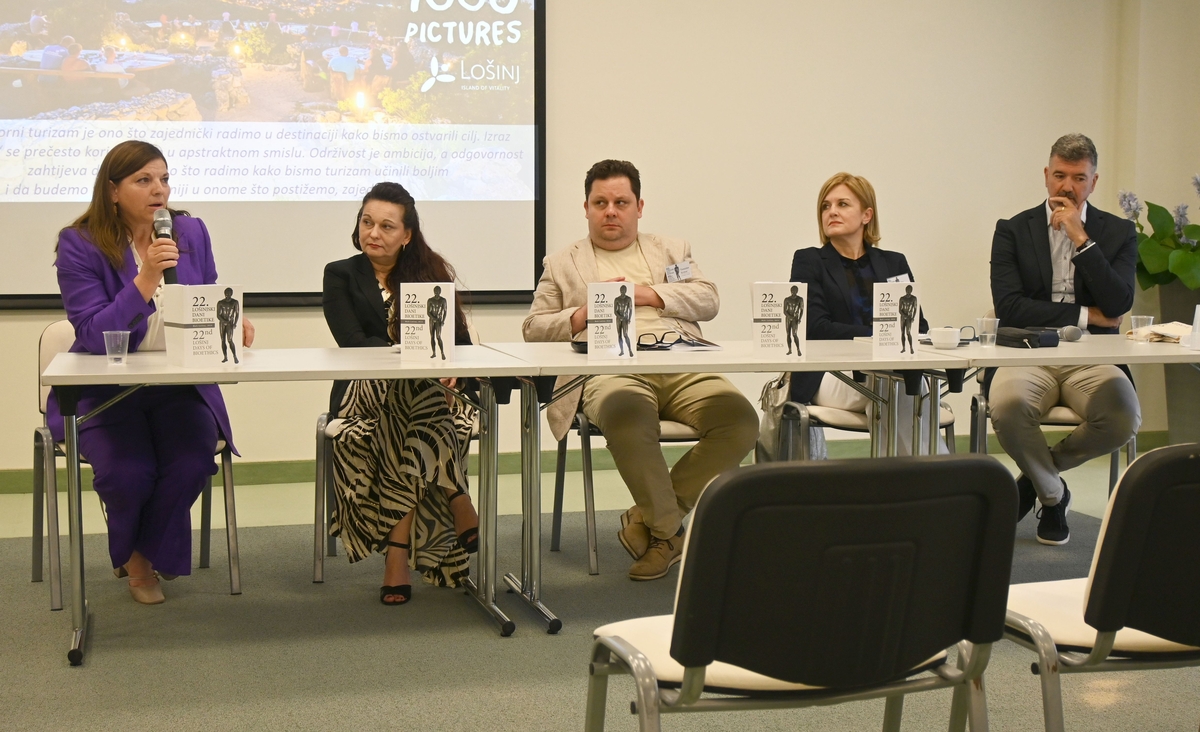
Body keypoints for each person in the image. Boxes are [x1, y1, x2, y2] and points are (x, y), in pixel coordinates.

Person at [523, 159, 758, 582]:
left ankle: (645, 520)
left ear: (639, 206)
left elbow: (708, 300)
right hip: (610, 368)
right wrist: (579, 315)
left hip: (681, 359)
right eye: (601, 202)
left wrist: (648, 294)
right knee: (627, 416)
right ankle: (669, 534)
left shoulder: (672, 249)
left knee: (740, 420)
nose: (611, 210)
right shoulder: (562, 262)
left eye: (620, 202)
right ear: (587, 207)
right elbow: (533, 328)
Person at [48, 141, 254, 605]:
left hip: (177, 386)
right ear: (113, 190)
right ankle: (140, 562)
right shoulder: (79, 243)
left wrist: (231, 315)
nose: (158, 189)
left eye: (163, 178)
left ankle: (138, 551)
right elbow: (94, 335)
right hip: (105, 388)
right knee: (129, 472)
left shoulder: (191, 230)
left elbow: (207, 292)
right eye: (144, 180)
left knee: (191, 462)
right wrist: (145, 279)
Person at [322, 181, 479, 605]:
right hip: (363, 393)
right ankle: (456, 494)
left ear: (407, 235)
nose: (373, 232)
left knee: (414, 406)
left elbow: (459, 345)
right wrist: (411, 356)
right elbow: (352, 343)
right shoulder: (340, 274)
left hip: (425, 400)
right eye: (367, 222)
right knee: (411, 400)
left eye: (386, 226)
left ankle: (397, 555)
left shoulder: (431, 274)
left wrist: (453, 377)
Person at [988, 133, 1140, 546]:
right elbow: (1010, 307)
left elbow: (1120, 302)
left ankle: (1036, 477)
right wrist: (1087, 315)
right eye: (1059, 175)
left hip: (1095, 357)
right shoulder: (1012, 230)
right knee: (1006, 406)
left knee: (1124, 417)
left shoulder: (1119, 232)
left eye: (1077, 178)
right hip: (1027, 351)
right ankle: (1053, 495)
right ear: (1045, 176)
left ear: (1093, 182)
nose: (1066, 187)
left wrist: (1080, 238)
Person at [789, 172, 939, 455]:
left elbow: (918, 326)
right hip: (832, 374)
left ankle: (903, 484)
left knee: (895, 384)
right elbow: (815, 327)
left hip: (885, 374)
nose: (831, 211)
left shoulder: (894, 263)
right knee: (899, 384)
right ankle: (936, 483)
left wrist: (888, 341)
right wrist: (882, 336)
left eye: (842, 204)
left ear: (866, 215)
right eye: (825, 206)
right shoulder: (809, 261)